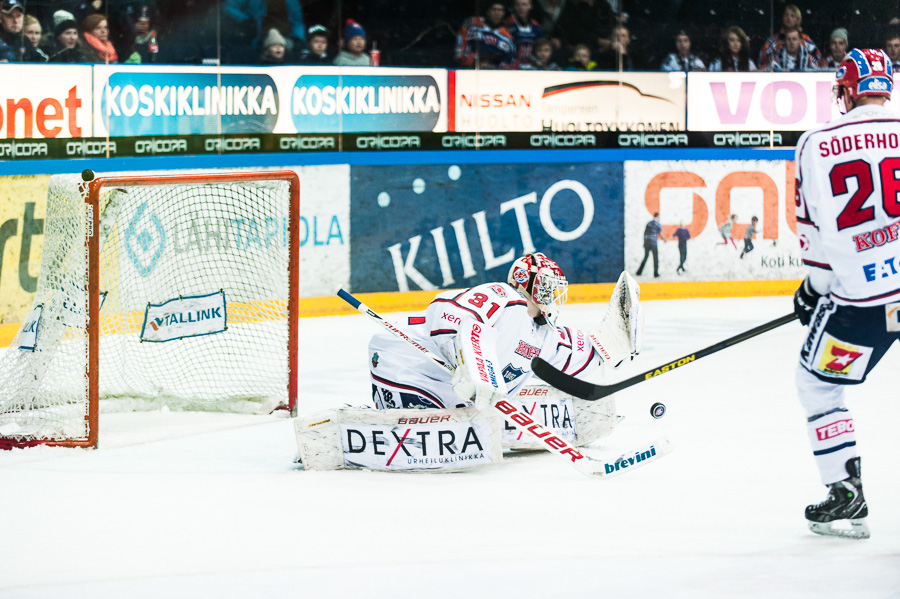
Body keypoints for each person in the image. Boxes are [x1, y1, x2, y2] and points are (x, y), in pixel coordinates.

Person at [791, 48, 898, 540]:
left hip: (863, 306)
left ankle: (846, 495)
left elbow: (814, 236)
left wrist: (812, 290)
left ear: (848, 90)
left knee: (818, 385)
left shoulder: (816, 143)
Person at [367, 253, 642, 411]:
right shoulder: (503, 297)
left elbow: (571, 353)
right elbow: (447, 311)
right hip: (405, 366)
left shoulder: (542, 336)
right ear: (529, 284)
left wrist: (613, 342)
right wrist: (471, 366)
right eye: (548, 287)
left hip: (445, 393)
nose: (554, 295)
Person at [758, 4, 821, 71]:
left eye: (792, 16)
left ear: (798, 19)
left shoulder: (805, 39)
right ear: (782, 18)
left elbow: (818, 59)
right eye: (786, 15)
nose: (789, 18)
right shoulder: (773, 40)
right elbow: (762, 61)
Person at [454, 1, 516, 69]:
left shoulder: (508, 36)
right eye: (494, 9)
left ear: (504, 13)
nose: (497, 13)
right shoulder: (472, 23)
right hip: (468, 69)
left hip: (494, 72)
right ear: (487, 11)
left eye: (500, 10)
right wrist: (474, 62)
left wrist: (493, 67)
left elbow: (509, 61)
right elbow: (459, 50)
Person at [506, 0, 545, 69]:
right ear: (514, 6)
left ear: (530, 6)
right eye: (518, 5)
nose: (521, 8)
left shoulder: (536, 27)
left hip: (532, 66)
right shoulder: (507, 24)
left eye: (524, 5)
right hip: (513, 66)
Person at [636, 212, 663, 278]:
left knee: (645, 257)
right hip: (653, 243)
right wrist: (665, 239)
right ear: (658, 216)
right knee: (655, 258)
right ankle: (655, 273)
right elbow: (661, 233)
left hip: (647, 243)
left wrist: (644, 242)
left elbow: (645, 233)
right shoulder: (657, 224)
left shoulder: (649, 223)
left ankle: (639, 272)